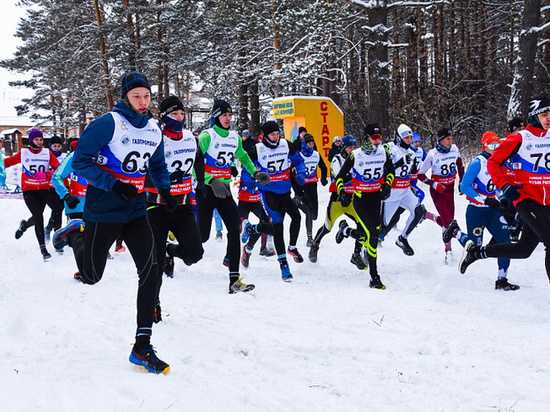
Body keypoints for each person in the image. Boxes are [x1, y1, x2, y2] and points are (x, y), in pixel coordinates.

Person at [52, 71, 173, 374]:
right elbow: (81, 162)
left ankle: (141, 347)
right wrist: (113, 184)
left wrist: (166, 190)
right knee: (92, 275)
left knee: (151, 269)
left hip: (134, 209)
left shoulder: (154, 130)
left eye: (146, 96)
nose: (143, 102)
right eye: (136, 96)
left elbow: (157, 165)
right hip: (103, 209)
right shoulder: (108, 123)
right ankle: (76, 232)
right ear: (124, 96)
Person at [459, 94, 550, 284]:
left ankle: (477, 253)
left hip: (547, 201)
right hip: (527, 200)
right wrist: (505, 186)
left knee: (523, 250)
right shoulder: (520, 138)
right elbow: (493, 162)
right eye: (544, 115)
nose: (548, 118)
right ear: (534, 116)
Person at [196, 99, 270, 293]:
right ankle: (172, 247)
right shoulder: (207, 136)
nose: (228, 119)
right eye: (224, 115)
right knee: (202, 237)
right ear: (216, 116)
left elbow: (243, 156)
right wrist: (211, 180)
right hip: (207, 190)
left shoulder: (234, 137)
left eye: (230, 115)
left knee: (234, 229)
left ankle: (234, 280)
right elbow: (193, 165)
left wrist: (255, 173)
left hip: (226, 191)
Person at [145, 95, 205, 322]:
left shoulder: (191, 138)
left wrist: (200, 182)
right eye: (174, 114)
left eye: (181, 114)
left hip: (182, 206)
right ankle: (154, 303)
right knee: (156, 264)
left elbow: (198, 158)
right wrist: (166, 185)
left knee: (195, 254)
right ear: (163, 117)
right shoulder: (155, 138)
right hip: (156, 207)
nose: (179, 118)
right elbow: (145, 172)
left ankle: (172, 250)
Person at [443, 131, 518, 290]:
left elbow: (497, 184)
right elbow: (464, 187)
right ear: (484, 146)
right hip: (476, 211)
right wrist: (484, 199)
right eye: (492, 145)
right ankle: (455, 231)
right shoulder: (478, 163)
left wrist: (502, 197)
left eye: (497, 144)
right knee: (474, 247)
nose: (496, 148)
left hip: (492, 211)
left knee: (506, 241)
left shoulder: (498, 162)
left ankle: (502, 280)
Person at [241, 120, 306, 280]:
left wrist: (301, 173)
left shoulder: (286, 145)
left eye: (277, 134)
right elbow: (245, 168)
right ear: (265, 135)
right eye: (272, 134)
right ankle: (283, 264)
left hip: (284, 191)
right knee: (277, 225)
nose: (276, 137)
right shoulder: (258, 149)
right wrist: (250, 182)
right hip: (268, 192)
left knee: (296, 217)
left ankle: (291, 247)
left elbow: (298, 160)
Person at [334, 123, 395, 289]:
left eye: (379, 138)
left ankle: (346, 231)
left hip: (376, 199)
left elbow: (391, 171)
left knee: (371, 234)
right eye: (374, 138)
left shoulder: (384, 152)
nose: (377, 141)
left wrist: (387, 185)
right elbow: (339, 177)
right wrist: (343, 193)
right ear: (366, 138)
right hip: (360, 200)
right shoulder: (356, 155)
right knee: (373, 235)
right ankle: (374, 277)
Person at [308, 134, 367, 270]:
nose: (352, 150)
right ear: (344, 148)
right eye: (349, 148)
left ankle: (356, 255)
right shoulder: (337, 158)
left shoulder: (358, 159)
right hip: (338, 199)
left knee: (361, 225)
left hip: (352, 199)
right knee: (327, 227)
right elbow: (340, 174)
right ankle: (315, 244)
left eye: (354, 147)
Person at [4, 128, 60, 260]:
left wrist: (46, 174)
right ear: (31, 140)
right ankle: (43, 249)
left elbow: (59, 169)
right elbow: (8, 162)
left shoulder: (47, 153)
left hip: (43, 189)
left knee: (37, 217)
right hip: (29, 189)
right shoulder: (24, 153)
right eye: (36, 139)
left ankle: (24, 225)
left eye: (41, 139)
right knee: (39, 217)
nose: (39, 142)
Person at [417, 127, 465, 261]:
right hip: (438, 191)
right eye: (447, 139)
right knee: (449, 222)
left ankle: (426, 215)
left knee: (448, 221)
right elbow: (420, 175)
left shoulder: (455, 149)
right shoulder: (433, 154)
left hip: (450, 189)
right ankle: (448, 250)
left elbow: (460, 166)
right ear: (440, 140)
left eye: (451, 139)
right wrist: (433, 183)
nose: (450, 142)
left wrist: (462, 181)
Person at [381, 124, 427, 256]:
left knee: (418, 212)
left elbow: (412, 172)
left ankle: (403, 238)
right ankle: (364, 247)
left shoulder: (412, 152)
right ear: (399, 137)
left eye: (410, 137)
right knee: (383, 225)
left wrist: (414, 170)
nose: (409, 140)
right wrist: (399, 163)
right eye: (406, 137)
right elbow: (383, 170)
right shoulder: (389, 148)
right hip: (392, 191)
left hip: (405, 189)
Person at [292, 133, 328, 246]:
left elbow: (323, 166)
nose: (311, 145)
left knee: (314, 215)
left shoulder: (316, 155)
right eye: (309, 143)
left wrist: (323, 178)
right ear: (304, 144)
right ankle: (310, 237)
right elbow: (290, 172)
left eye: (312, 143)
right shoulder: (299, 156)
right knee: (308, 211)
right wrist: (295, 187)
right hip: (301, 186)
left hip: (312, 185)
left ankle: (296, 203)